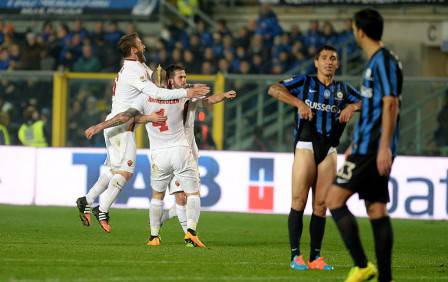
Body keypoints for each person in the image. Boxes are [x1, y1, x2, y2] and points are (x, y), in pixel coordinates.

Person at [76, 32, 209, 233]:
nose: (144, 46)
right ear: (133, 50)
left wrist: (169, 79)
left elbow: (157, 84)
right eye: (140, 44)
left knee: (114, 170)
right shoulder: (133, 71)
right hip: (119, 126)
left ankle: (87, 200)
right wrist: (186, 92)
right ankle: (101, 210)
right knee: (125, 172)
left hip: (122, 125)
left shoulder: (138, 67)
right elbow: (155, 93)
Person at [268, 44, 361, 271]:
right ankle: (295, 256)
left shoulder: (343, 88)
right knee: (299, 201)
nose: (329, 61)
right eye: (325, 58)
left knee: (321, 206)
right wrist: (298, 102)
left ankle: (316, 258)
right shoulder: (304, 82)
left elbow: (369, 101)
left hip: (329, 149)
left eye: (333, 58)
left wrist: (352, 106)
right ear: (316, 63)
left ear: (337, 64)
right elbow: (273, 89)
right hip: (306, 145)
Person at [325, 9, 402, 282]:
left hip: (372, 148)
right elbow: (373, 107)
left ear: (360, 31)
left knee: (333, 200)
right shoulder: (376, 61)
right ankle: (385, 278)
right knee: (376, 208)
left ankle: (361, 265)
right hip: (366, 144)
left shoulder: (383, 61)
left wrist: (383, 146)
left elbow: (391, 103)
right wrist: (356, 140)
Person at [158, 64, 235, 246]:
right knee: (181, 197)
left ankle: (160, 218)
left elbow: (207, 101)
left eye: (185, 76)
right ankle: (189, 235)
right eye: (180, 77)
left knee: (188, 195)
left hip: (190, 152)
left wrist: (222, 96)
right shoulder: (163, 98)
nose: (184, 80)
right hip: (170, 152)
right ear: (171, 81)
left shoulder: (190, 96)